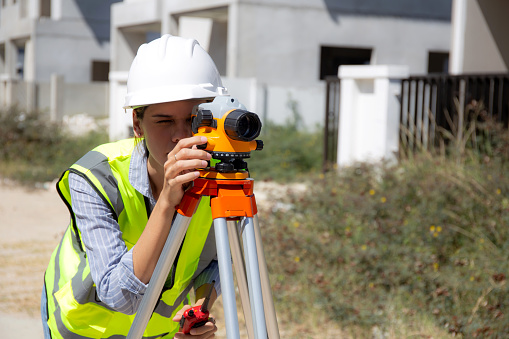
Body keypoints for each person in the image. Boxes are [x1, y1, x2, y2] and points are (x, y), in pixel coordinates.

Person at [41, 34, 228, 338]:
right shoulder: (96, 176)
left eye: (195, 119)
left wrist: (200, 307)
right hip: (84, 329)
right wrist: (167, 202)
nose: (181, 136)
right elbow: (120, 296)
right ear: (138, 124)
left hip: (159, 332)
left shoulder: (218, 175)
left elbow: (216, 261)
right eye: (164, 121)